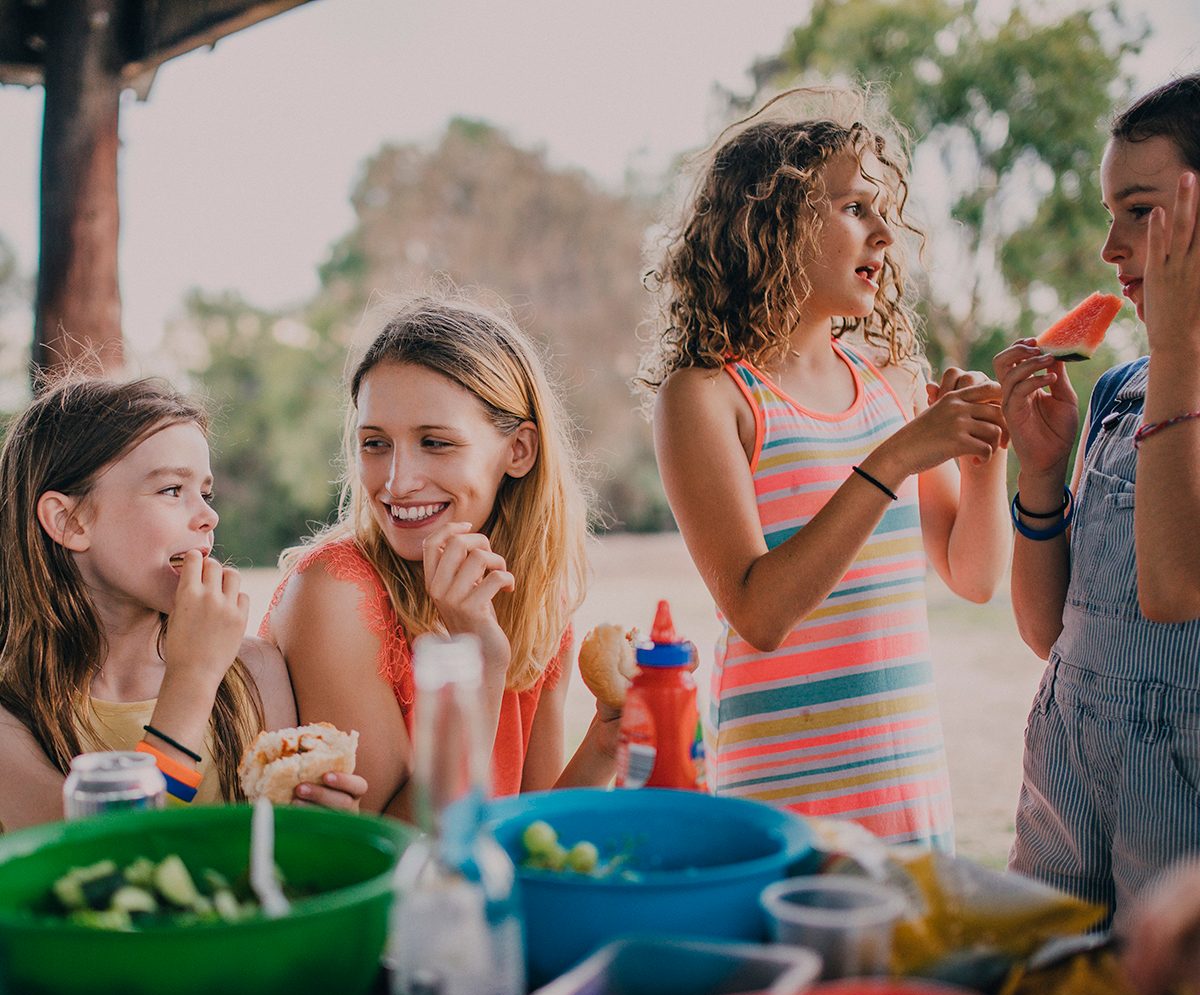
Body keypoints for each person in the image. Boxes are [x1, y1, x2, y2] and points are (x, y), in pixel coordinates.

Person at [641, 87, 1010, 849]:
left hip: (907, 789)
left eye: (884, 211)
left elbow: (973, 578)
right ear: (771, 225)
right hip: (784, 804)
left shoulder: (893, 381)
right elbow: (760, 613)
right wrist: (900, 453)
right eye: (853, 209)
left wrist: (984, 459)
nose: (884, 233)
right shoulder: (707, 396)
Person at [263, 294, 618, 819]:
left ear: (518, 451)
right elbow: (394, 852)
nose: (397, 482)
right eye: (375, 444)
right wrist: (478, 662)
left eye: (435, 442)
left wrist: (608, 739)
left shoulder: (540, 595)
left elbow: (530, 830)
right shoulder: (336, 594)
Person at [996, 73, 1200, 928]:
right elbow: (1048, 632)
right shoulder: (1121, 391)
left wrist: (1178, 345)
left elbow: (1172, 589)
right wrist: (1039, 476)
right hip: (1066, 775)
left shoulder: (1168, 379)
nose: (1110, 249)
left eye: (1139, 210)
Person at [0, 375, 366, 833]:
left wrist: (317, 827)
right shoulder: (11, 717)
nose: (209, 516)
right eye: (172, 490)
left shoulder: (254, 672)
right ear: (69, 521)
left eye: (206, 493)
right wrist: (192, 678)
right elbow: (112, 865)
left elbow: (279, 864)